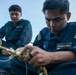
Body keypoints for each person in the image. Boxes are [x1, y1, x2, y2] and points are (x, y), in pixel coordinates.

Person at [11, 0, 76, 75]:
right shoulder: (43, 33)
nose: (51, 25)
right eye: (48, 20)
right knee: (15, 60)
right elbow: (35, 50)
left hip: (67, 67)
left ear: (68, 16)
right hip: (44, 67)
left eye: (57, 20)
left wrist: (50, 57)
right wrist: (25, 53)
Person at [0, 4, 32, 74]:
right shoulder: (7, 24)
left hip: (19, 48)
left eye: (16, 14)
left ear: (21, 14)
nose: (14, 16)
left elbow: (24, 39)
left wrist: (11, 51)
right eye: (12, 14)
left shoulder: (26, 23)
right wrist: (3, 49)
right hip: (6, 46)